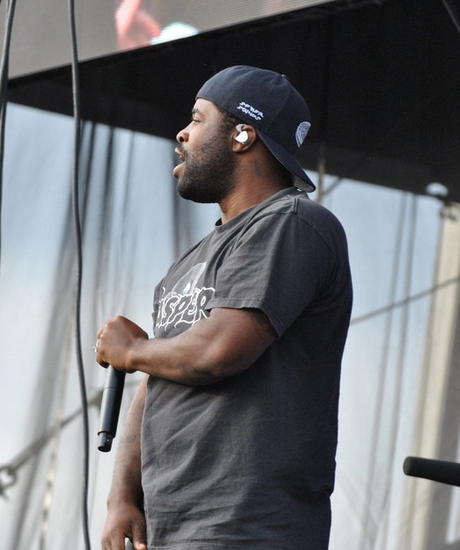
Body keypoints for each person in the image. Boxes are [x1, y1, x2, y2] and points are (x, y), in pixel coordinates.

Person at [95, 65, 353, 549]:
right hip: (173, 527)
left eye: (197, 119)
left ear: (241, 135)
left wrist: (131, 350)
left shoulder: (292, 224)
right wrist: (122, 499)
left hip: (246, 528)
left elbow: (216, 353)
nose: (182, 132)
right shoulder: (192, 261)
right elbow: (157, 381)